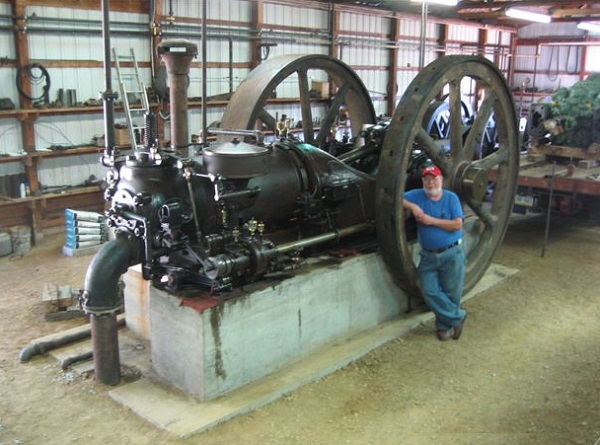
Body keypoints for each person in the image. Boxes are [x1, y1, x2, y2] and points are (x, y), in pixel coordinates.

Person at [403, 164, 467, 341]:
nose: (430, 183)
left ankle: (443, 327)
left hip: (452, 252)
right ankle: (457, 317)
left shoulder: (451, 198)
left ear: (441, 180)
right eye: (427, 179)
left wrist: (431, 221)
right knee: (428, 290)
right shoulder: (417, 196)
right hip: (428, 255)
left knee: (452, 292)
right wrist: (413, 207)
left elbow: (457, 224)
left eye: (434, 179)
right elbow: (395, 198)